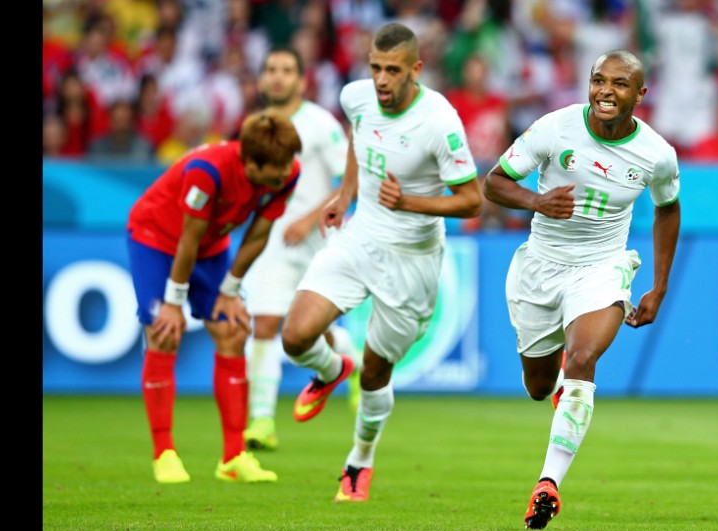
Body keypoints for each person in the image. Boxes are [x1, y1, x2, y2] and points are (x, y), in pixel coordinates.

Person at [279, 22, 482, 502]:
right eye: (375, 68)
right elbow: (359, 137)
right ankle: (331, 370)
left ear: (416, 68)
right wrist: (345, 193)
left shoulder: (440, 121)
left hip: (412, 261)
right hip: (360, 238)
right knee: (295, 336)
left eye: (393, 70)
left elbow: (472, 201)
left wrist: (409, 202)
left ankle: (359, 461)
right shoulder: (357, 97)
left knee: (375, 372)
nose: (382, 80)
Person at [483, 50, 681, 529]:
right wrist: (536, 200)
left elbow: (668, 209)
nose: (605, 91)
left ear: (640, 94)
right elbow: (493, 183)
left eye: (618, 83)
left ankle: (548, 483)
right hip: (541, 267)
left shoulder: (657, 154)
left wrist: (657, 286)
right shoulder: (556, 127)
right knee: (536, 386)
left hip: (602, 267)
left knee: (583, 359)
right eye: (597, 80)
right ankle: (560, 392)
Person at [126, 109, 302, 484]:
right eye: (277, 167)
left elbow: (258, 233)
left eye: (289, 163)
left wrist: (230, 290)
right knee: (163, 331)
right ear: (250, 163)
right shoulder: (208, 171)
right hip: (156, 238)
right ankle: (164, 453)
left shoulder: (287, 172)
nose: (286, 172)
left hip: (209, 246)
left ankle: (233, 457)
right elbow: (187, 237)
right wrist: (173, 303)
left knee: (233, 330)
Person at [238, 46, 361, 452]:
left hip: (317, 241)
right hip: (272, 241)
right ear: (260, 79)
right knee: (266, 323)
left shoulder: (321, 124)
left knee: (313, 333)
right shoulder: (254, 126)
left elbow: (347, 181)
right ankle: (260, 420)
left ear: (302, 79)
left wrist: (309, 218)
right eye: (270, 69)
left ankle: (350, 359)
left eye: (286, 70)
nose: (277, 76)